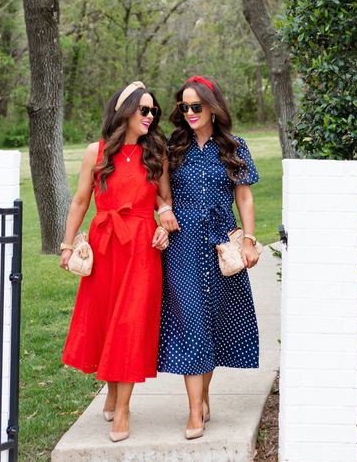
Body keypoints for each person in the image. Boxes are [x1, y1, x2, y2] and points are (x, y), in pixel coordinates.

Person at [60, 81, 171, 442]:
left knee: (130, 323)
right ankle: (111, 390)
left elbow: (164, 201)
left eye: (154, 111)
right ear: (125, 112)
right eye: (144, 110)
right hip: (105, 244)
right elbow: (79, 201)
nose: (151, 117)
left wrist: (164, 224)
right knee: (108, 321)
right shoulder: (96, 152)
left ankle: (123, 409)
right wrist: (66, 244)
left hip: (141, 248)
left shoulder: (157, 153)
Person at [157, 75, 260, 440]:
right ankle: (194, 411)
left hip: (220, 245)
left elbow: (244, 197)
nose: (189, 113)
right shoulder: (174, 146)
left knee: (213, 323)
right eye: (183, 107)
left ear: (213, 108)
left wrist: (248, 239)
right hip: (182, 247)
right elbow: (159, 189)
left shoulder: (235, 146)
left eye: (195, 106)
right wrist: (163, 210)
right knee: (191, 325)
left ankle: (202, 396)